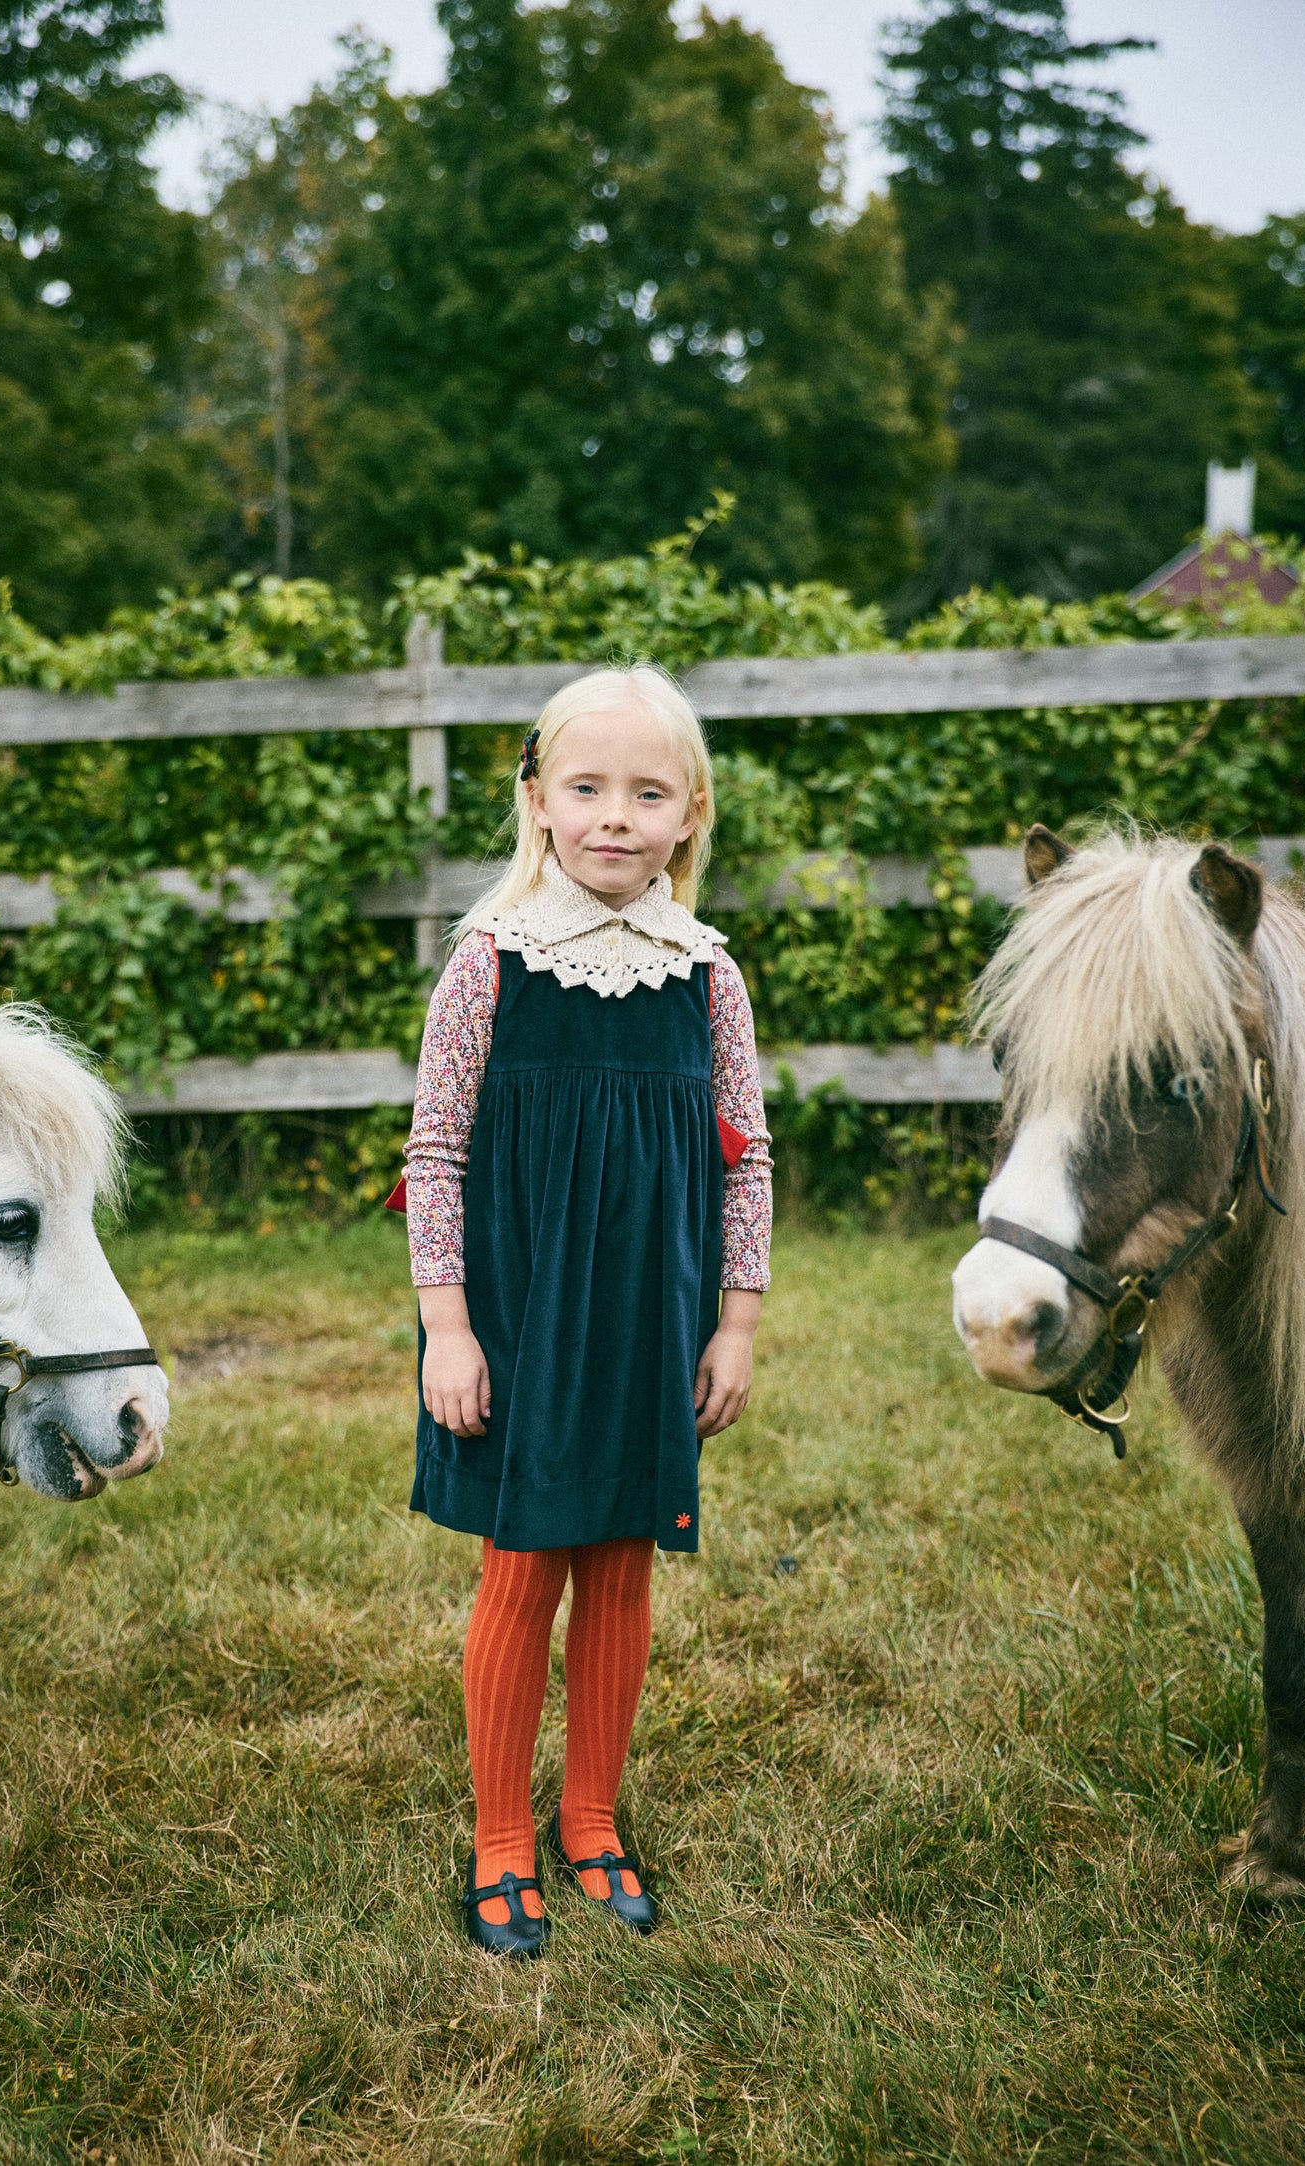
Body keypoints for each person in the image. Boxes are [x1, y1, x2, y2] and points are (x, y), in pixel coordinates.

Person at [397, 665, 772, 1958]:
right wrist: (448, 1326)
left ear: (689, 812)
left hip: (650, 1320)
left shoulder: (706, 975)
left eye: (647, 791)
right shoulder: (489, 962)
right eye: (587, 786)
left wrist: (732, 1324)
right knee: (523, 1568)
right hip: (520, 1316)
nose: (615, 814)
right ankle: (504, 1834)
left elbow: (747, 1156)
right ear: (539, 801)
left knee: (617, 1567)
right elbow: (434, 1151)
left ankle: (592, 1816)